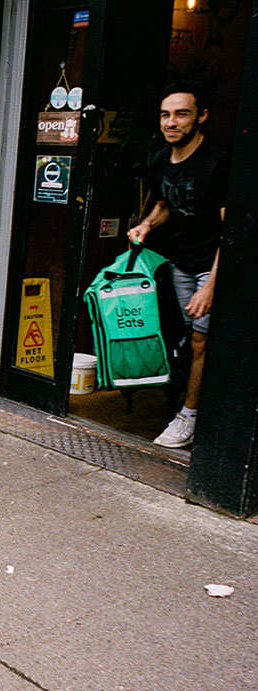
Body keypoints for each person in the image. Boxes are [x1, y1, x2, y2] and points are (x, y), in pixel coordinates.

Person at [127, 80, 228, 449]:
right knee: (187, 341)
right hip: (180, 263)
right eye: (165, 115)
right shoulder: (160, 159)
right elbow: (164, 205)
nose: (171, 122)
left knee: (201, 340)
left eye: (181, 114)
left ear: (201, 117)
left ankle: (189, 417)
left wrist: (210, 287)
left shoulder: (217, 163)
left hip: (211, 265)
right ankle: (188, 401)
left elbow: (229, 232)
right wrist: (146, 224)